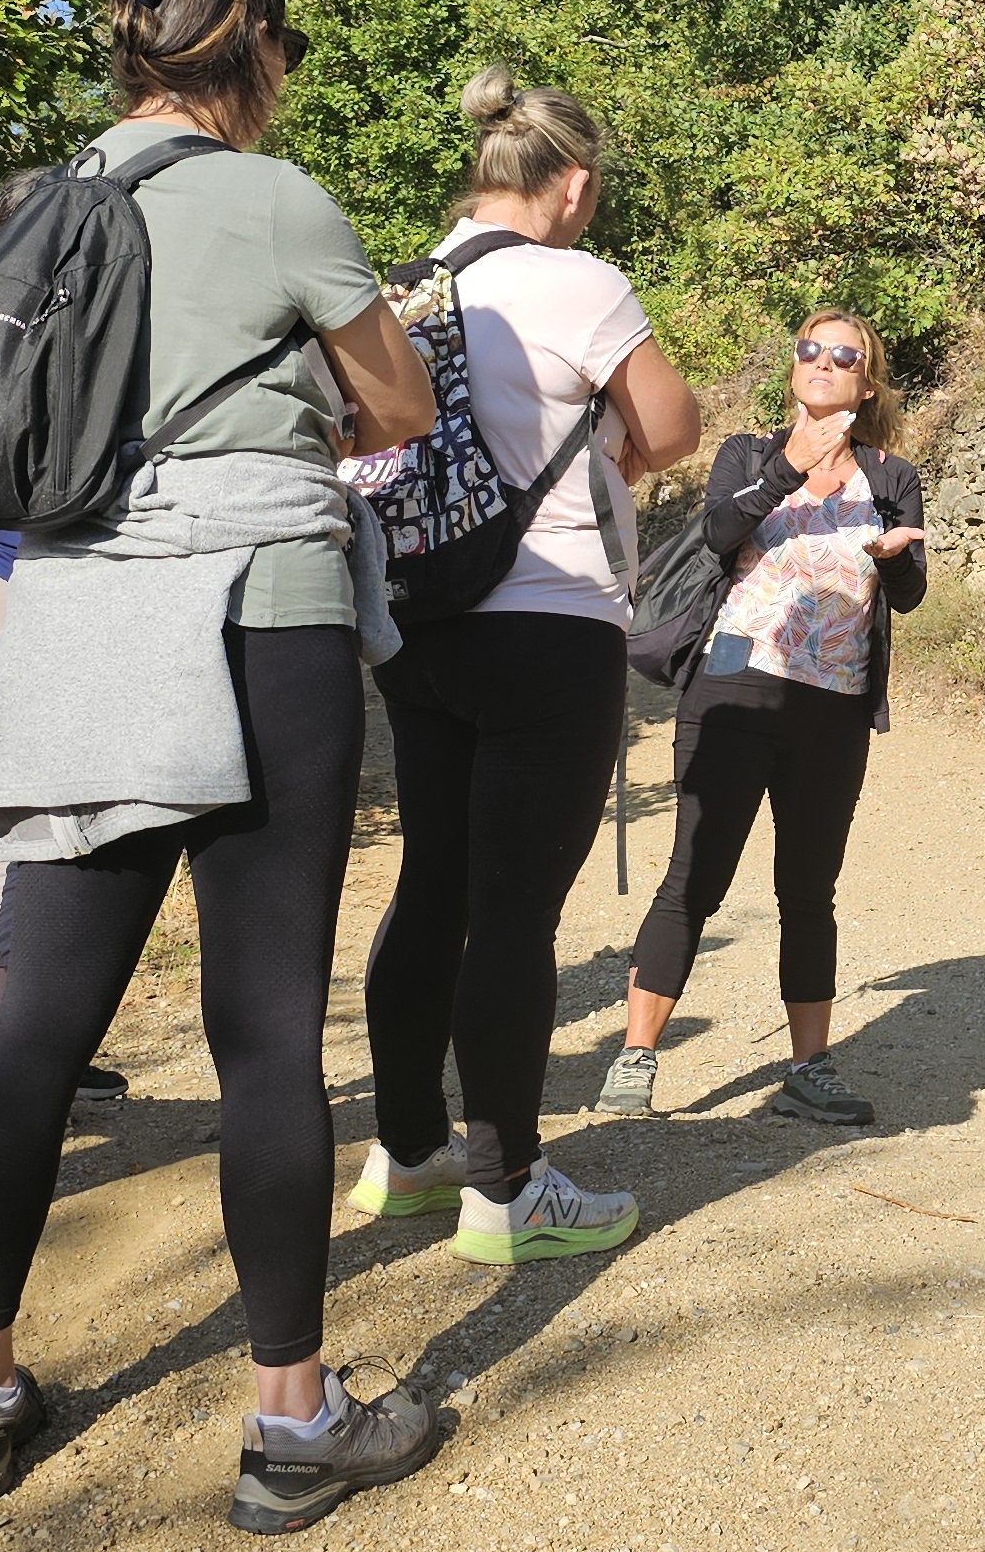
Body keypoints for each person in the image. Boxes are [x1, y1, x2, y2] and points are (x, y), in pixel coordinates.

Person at [0, 0, 443, 1530]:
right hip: (258, 614)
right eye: (283, 47)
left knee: (38, 1031)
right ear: (250, 47)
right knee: (266, 1022)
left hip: (75, 631)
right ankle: (291, 1424)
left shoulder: (37, 199)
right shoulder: (278, 202)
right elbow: (401, 408)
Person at [345, 65, 702, 1262]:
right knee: (515, 909)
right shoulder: (579, 280)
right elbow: (672, 428)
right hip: (545, 621)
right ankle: (508, 1190)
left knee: (431, 884)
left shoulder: (406, 281)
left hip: (420, 620)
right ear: (574, 185)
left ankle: (405, 1155)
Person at [595, 310, 929, 1125]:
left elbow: (912, 593)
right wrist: (790, 466)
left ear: (865, 382)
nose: (822, 361)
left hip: (834, 708)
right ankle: (637, 1057)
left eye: (842, 354)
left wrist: (894, 558)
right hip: (735, 689)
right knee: (694, 879)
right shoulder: (750, 454)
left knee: (809, 892)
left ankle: (807, 1069)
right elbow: (718, 532)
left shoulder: (891, 476)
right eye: (809, 349)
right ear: (793, 370)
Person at [0, 175, 122, 1104]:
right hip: (21, 604)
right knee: (38, 839)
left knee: (40, 833)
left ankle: (26, 1049)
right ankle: (13, 1058)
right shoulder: (32, 345)